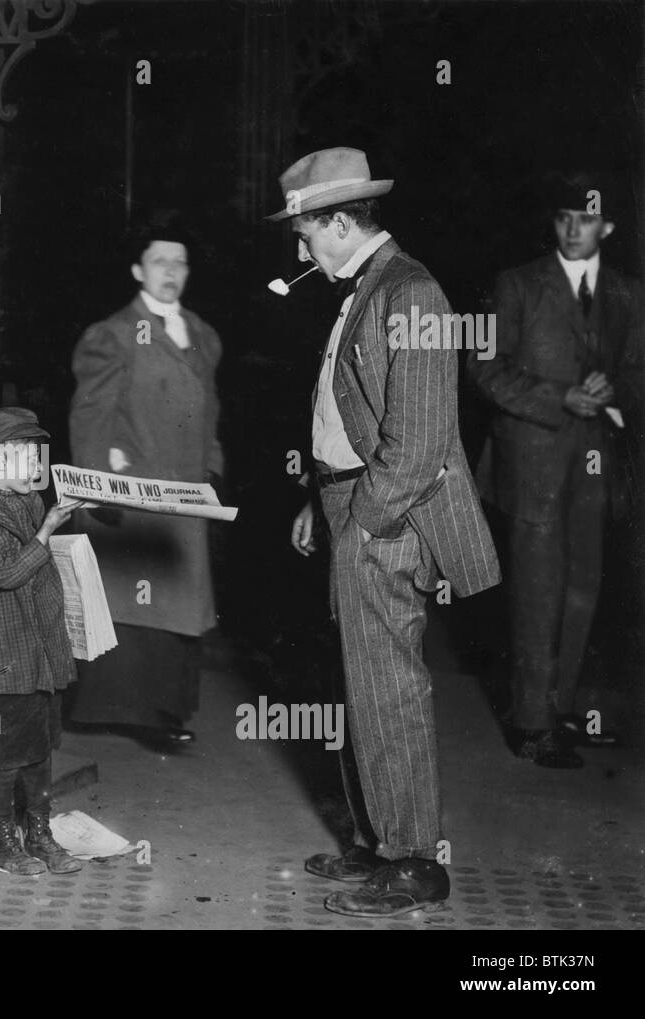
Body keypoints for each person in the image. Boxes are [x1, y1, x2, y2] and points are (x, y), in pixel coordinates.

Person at [273, 147, 501, 917]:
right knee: (357, 682)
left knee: (388, 686)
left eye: (305, 232)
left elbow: (421, 439)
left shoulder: (411, 291)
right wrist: (322, 498)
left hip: (387, 516)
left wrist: (364, 521)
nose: (299, 248)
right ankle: (377, 841)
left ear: (341, 222)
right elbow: (353, 418)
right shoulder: (365, 288)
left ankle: (414, 863)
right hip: (352, 502)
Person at [468, 174, 641, 767]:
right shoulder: (516, 285)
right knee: (537, 590)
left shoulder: (626, 295)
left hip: (597, 462)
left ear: (607, 227)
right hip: (532, 460)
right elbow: (484, 368)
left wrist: (612, 388)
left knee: (583, 587)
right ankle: (531, 722)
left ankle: (561, 708)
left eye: (586, 219)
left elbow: (639, 372)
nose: (573, 228)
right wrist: (560, 397)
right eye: (565, 216)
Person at [67, 211, 224, 749]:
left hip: (186, 494)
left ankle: (164, 711)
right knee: (136, 604)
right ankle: (132, 715)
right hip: (132, 493)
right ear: (138, 270)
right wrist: (97, 486)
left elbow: (210, 413)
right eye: (160, 261)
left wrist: (214, 469)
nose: (171, 272)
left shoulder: (202, 335)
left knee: (177, 604)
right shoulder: (112, 335)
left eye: (180, 262)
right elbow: (90, 416)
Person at [0, 407, 84, 876]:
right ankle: (0, 839)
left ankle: (40, 833)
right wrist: (48, 530)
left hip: (38, 655)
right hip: (1, 659)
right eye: (23, 455)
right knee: (5, 754)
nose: (36, 465)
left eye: (37, 453)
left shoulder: (26, 500)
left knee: (40, 748)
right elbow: (5, 572)